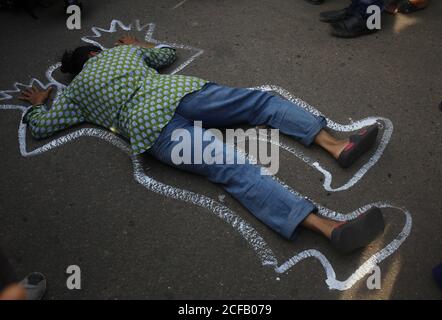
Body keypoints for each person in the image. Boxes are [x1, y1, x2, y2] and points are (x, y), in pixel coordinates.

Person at [19, 35, 385, 254]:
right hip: (183, 95)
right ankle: (336, 145)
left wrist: (37, 106)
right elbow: (166, 56)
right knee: (261, 104)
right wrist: (138, 44)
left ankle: (328, 228)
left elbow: (42, 126)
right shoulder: (120, 54)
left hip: (154, 132)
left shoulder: (77, 94)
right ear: (96, 53)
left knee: (234, 169)